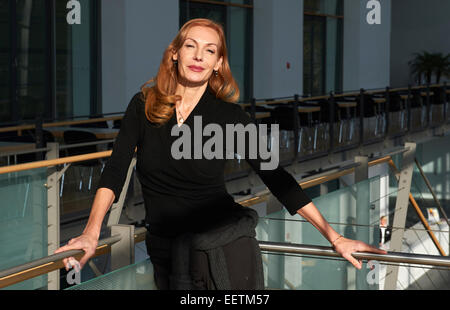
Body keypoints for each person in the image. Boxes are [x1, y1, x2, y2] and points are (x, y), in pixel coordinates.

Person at [55, 18, 386, 289]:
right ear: (174, 53)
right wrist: (91, 231)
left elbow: (277, 177)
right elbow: (114, 171)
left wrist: (334, 236)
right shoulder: (144, 106)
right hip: (167, 252)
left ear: (218, 64)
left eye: (209, 51)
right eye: (191, 46)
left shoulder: (229, 116)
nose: (199, 56)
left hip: (226, 247)